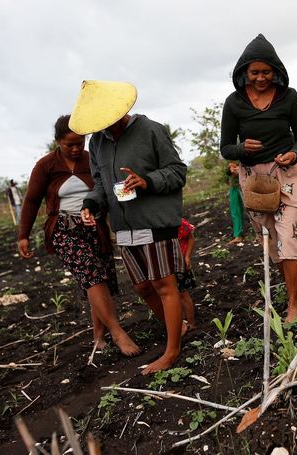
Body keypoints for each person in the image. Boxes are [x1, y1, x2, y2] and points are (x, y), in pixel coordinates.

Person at [70, 80, 188, 374]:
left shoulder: (150, 130)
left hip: (155, 221)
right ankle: (179, 328)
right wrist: (91, 205)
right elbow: (100, 185)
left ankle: (172, 351)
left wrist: (146, 181)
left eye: (107, 120)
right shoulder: (97, 142)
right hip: (124, 226)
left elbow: (177, 172)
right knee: (142, 286)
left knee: (164, 284)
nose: (104, 127)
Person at [17, 115, 140, 357]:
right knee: (92, 276)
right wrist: (24, 235)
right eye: (68, 144)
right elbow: (31, 200)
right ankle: (118, 333)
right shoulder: (46, 166)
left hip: (95, 227)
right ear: (57, 141)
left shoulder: (90, 158)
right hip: (65, 229)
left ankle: (98, 336)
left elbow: (104, 188)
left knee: (98, 279)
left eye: (79, 143)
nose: (75, 149)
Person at [220, 34, 297, 323]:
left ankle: (292, 306)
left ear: (276, 71)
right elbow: (226, 147)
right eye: (255, 72)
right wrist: (241, 149)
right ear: (244, 73)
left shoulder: (289, 97)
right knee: (274, 240)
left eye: (266, 72)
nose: (261, 78)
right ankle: (294, 290)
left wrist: (293, 153)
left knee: (289, 235)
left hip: (287, 172)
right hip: (254, 179)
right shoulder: (234, 103)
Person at [177, 217, 197, 330]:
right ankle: (182, 320)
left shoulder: (179, 222)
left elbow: (190, 238)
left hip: (180, 263)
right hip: (168, 263)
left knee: (182, 293)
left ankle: (191, 322)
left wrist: (187, 256)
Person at [227, 162, 245, 244]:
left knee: (252, 210)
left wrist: (239, 170)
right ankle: (238, 236)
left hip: (245, 185)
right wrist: (230, 169)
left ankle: (259, 234)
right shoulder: (229, 153)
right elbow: (227, 173)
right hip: (234, 187)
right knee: (235, 212)